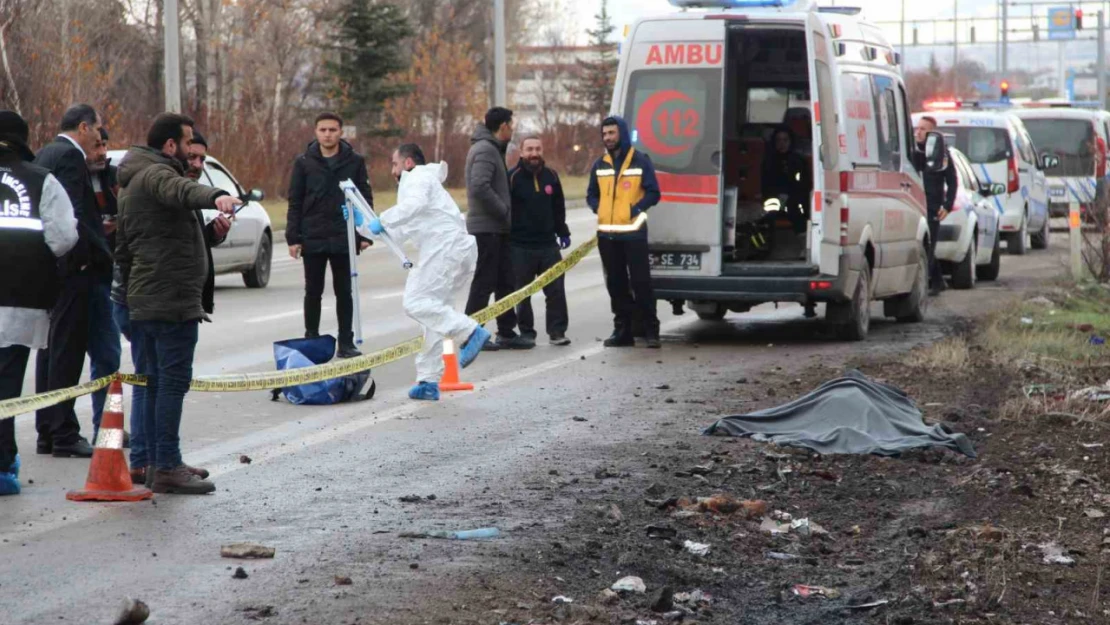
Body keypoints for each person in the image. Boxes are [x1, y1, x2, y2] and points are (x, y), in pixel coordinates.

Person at [116, 112, 239, 494]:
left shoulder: (140, 177)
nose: (193, 155)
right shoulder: (155, 174)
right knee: (169, 383)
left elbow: (133, 246)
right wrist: (217, 195)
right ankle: (165, 464)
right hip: (168, 303)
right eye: (189, 145)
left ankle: (155, 461)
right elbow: (183, 191)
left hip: (152, 299)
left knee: (154, 383)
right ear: (171, 146)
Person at [368, 144, 491, 400]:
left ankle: (470, 332)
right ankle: (428, 380)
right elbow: (399, 233)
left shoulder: (418, 177)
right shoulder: (419, 187)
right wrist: (364, 227)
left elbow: (411, 207)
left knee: (415, 302)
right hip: (452, 251)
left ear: (409, 163)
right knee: (434, 313)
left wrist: (385, 218)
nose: (393, 170)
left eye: (395, 164)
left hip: (445, 249)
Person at [0, 110, 80, 495]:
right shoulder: (40, 180)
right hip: (19, 299)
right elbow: (64, 236)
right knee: (5, 386)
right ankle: (0, 466)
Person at [33, 103, 112, 458]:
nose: (100, 135)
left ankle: (47, 430)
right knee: (66, 352)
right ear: (84, 127)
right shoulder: (69, 156)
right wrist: (102, 254)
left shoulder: (45, 152)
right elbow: (72, 216)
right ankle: (63, 432)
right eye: (98, 128)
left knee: (51, 351)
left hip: (50, 269)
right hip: (74, 270)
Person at [286, 112, 372, 359]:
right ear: (315, 132)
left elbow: (364, 198)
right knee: (313, 291)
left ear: (341, 132)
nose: (327, 134)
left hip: (343, 235)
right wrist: (294, 238)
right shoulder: (303, 162)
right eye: (323, 130)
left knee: (344, 291)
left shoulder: (354, 161)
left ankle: (346, 341)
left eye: (332, 130)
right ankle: (311, 338)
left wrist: (364, 233)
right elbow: (295, 200)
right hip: (313, 235)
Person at [587, 116, 662, 349]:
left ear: (622, 133)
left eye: (612, 133)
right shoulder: (600, 164)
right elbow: (591, 194)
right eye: (605, 134)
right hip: (607, 236)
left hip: (633, 234)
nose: (608, 138)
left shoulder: (640, 161)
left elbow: (654, 193)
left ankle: (651, 330)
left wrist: (635, 208)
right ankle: (623, 330)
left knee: (641, 283)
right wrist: (597, 207)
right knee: (616, 285)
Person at [464, 107, 530, 350]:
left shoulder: (491, 148)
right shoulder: (484, 149)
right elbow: (480, 185)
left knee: (505, 280)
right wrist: (503, 210)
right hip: (487, 227)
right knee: (485, 281)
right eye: (511, 125)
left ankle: (506, 331)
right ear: (502, 126)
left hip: (497, 228)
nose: (512, 130)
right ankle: (472, 334)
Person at [508, 136, 571, 346]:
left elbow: (558, 207)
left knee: (556, 291)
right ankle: (527, 333)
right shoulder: (512, 178)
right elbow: (505, 211)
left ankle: (557, 331)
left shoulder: (551, 176)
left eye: (537, 149)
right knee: (522, 293)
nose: (534, 153)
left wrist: (563, 232)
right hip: (520, 246)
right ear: (521, 152)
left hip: (548, 245)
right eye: (529, 149)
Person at [85, 126, 123, 441]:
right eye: (96, 146)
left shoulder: (114, 176)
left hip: (110, 276)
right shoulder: (74, 176)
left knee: (108, 356)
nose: (101, 153)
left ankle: (106, 427)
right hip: (80, 277)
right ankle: (57, 430)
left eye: (104, 146)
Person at [914, 116, 957, 296]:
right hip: (915, 205)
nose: (918, 132)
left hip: (932, 207)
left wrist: (947, 206)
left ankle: (926, 287)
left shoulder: (941, 155)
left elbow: (953, 182)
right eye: (917, 128)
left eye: (923, 129)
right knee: (924, 246)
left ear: (933, 133)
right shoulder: (911, 152)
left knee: (929, 248)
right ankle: (938, 281)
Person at [761, 125, 811, 234]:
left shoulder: (799, 161)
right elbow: (765, 185)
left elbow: (804, 185)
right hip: (773, 199)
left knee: (798, 213)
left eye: (785, 140)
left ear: (790, 141)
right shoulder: (769, 161)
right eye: (778, 140)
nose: (782, 143)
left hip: (794, 201)